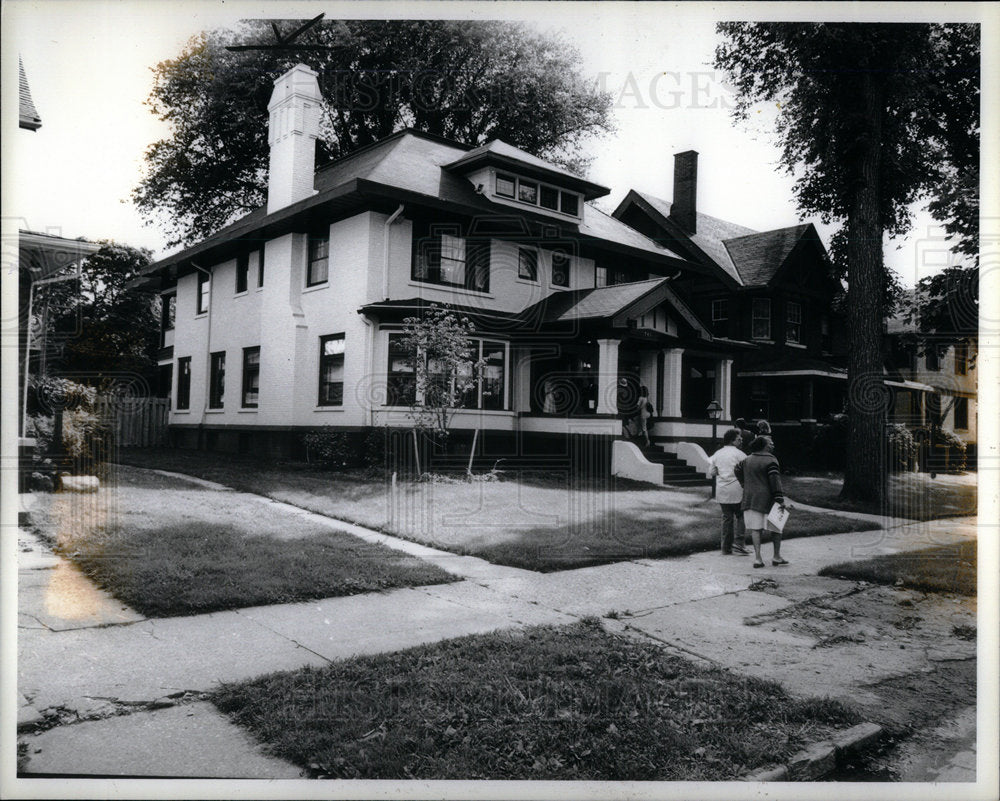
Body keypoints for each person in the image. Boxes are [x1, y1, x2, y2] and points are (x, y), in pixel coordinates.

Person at [735, 435, 788, 568]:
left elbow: (736, 469)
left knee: (756, 529)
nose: (773, 445)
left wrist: (744, 484)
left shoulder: (747, 459)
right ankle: (776, 556)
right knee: (776, 527)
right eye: (771, 443)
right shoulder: (771, 460)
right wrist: (780, 499)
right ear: (764, 445)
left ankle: (758, 559)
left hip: (751, 498)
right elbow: (775, 482)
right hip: (769, 499)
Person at [708, 428, 749, 555]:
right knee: (741, 516)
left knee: (727, 518)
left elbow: (712, 472)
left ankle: (725, 547)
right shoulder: (740, 455)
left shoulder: (717, 454)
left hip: (722, 490)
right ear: (732, 441)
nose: (741, 441)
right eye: (739, 439)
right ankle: (739, 543)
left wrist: (722, 473)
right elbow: (746, 471)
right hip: (737, 489)